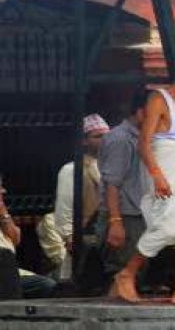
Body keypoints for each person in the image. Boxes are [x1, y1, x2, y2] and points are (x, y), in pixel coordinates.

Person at [114, 59, 175, 304]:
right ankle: (127, 273)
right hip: (166, 167)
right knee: (166, 228)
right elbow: (143, 143)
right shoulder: (159, 99)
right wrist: (157, 175)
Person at [95, 90, 151, 295]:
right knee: (123, 275)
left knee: (131, 278)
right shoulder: (120, 139)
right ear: (140, 112)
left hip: (138, 216)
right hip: (125, 217)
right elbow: (112, 184)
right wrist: (116, 222)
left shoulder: (144, 138)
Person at [52, 113, 110, 281]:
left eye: (107, 135)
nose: (104, 140)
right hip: (86, 239)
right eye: (98, 136)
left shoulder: (115, 166)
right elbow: (64, 209)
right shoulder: (72, 170)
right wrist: (70, 237)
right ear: (84, 141)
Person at [0, 177, 56, 298]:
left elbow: (16, 239)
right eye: (0, 187)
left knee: (52, 287)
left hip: (12, 273)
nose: (4, 191)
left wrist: (3, 213)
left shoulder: (2, 215)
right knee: (45, 286)